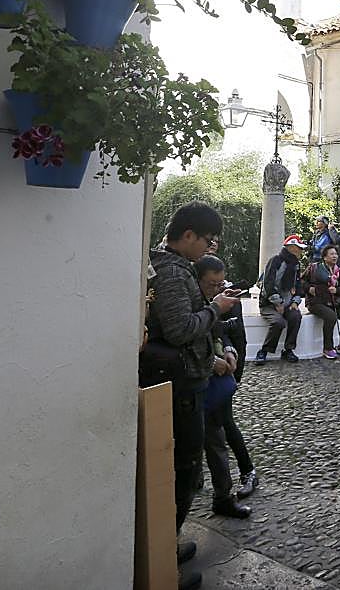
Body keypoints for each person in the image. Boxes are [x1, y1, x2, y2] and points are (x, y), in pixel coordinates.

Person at [143, 202, 238, 590]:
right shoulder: (170, 272)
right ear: (188, 236)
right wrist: (215, 309)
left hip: (187, 380)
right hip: (180, 385)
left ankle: (166, 543)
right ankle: (163, 560)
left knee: (185, 467)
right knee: (183, 470)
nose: (208, 248)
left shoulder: (172, 267)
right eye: (207, 240)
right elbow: (181, 329)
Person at [193, 255, 254, 518]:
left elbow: (223, 330)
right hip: (193, 382)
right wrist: (211, 362)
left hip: (217, 381)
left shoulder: (218, 298)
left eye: (220, 284)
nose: (216, 289)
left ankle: (227, 492)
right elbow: (183, 335)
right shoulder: (186, 295)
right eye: (211, 284)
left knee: (219, 434)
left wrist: (228, 351)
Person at [255, 234, 308, 364]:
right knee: (278, 322)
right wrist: (278, 303)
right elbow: (268, 284)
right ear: (291, 248)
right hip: (268, 303)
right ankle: (264, 350)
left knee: (296, 316)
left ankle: (288, 349)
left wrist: (295, 301)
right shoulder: (276, 261)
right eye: (299, 248)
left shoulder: (296, 264)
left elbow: (298, 285)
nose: (301, 251)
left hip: (288, 302)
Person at [305, 244, 340, 359]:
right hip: (316, 302)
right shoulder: (314, 268)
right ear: (325, 257)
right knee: (331, 317)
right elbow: (302, 282)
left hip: (334, 302)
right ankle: (328, 348)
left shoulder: (338, 271)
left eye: (336, 254)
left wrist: (336, 290)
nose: (334, 256)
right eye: (331, 254)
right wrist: (309, 289)